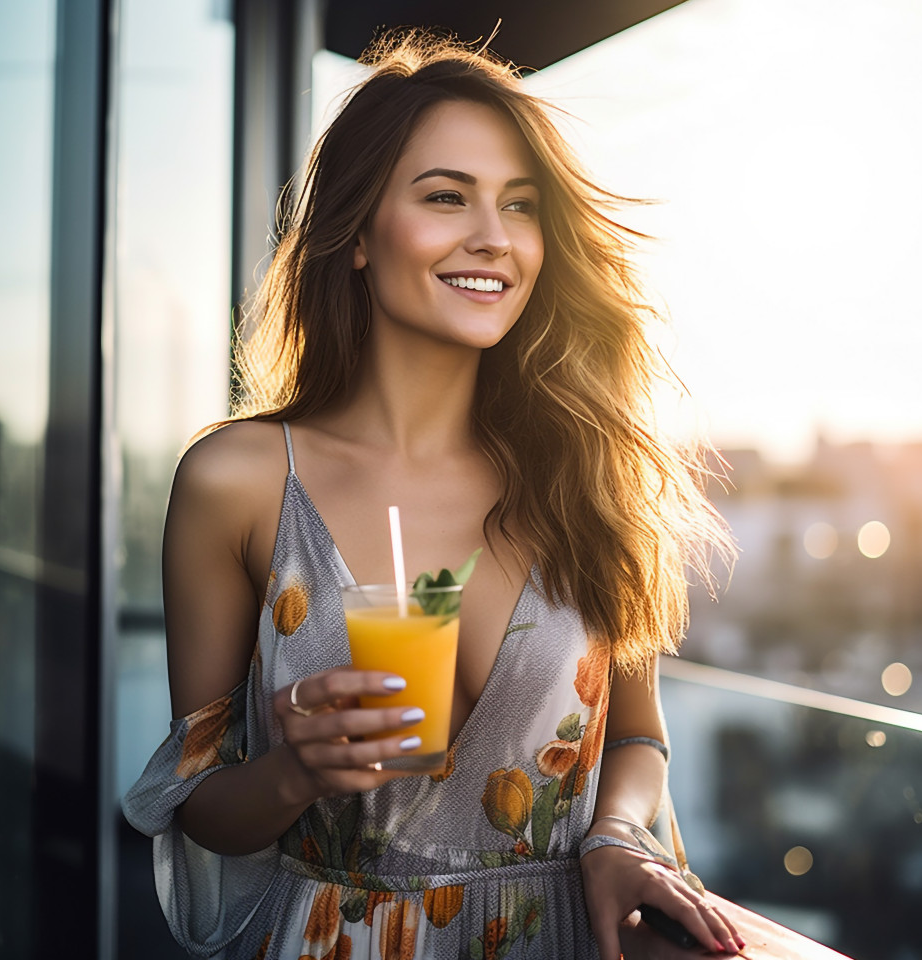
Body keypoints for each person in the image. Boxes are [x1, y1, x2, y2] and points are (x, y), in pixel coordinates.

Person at [123, 29, 743, 960]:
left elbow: (636, 736)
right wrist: (295, 774)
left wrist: (616, 834)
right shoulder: (238, 481)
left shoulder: (587, 472)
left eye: (519, 205)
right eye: (446, 196)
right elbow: (196, 800)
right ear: (358, 233)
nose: (493, 236)